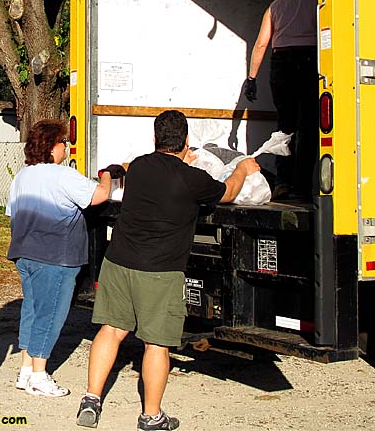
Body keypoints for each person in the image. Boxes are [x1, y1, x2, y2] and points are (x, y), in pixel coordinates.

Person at [76, 110, 259, 431]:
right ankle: (151, 416)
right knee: (156, 345)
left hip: (118, 262)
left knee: (111, 331)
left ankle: (91, 399)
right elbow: (228, 192)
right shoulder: (193, 180)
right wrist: (242, 169)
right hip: (159, 271)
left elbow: (132, 167)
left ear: (155, 139)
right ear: (187, 142)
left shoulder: (141, 167)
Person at [5, 119, 123, 398]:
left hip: (25, 253)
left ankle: (25, 369)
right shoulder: (61, 175)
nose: (67, 148)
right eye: (63, 143)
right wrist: (108, 174)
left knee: (32, 310)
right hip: (56, 256)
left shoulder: (22, 176)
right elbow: (100, 195)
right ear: (51, 146)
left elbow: (11, 213)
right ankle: (39, 374)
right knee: (52, 313)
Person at [244, 0, 318, 199]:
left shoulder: (276, 6)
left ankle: (283, 182)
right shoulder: (318, 1)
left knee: (285, 124)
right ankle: (304, 184)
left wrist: (252, 78)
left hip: (282, 64)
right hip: (309, 60)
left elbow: (261, 44)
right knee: (308, 125)